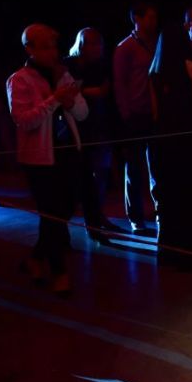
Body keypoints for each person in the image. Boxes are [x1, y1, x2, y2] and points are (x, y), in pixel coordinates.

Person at [7, 24, 87, 295]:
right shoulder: (19, 80)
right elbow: (24, 120)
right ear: (29, 48)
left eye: (54, 46)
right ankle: (59, 273)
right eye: (46, 46)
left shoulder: (61, 75)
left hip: (67, 154)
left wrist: (69, 100)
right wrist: (54, 100)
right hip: (39, 160)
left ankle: (35, 259)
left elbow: (83, 113)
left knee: (62, 212)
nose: (53, 52)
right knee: (52, 215)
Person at [148, 25, 192, 267]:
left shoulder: (153, 71)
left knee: (169, 197)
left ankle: (169, 254)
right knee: (190, 195)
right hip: (188, 139)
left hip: (163, 142)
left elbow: (154, 114)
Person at [66, 28, 124, 243]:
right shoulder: (70, 65)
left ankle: (97, 216)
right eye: (92, 43)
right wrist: (92, 91)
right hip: (79, 129)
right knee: (83, 178)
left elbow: (106, 91)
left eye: (99, 44)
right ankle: (92, 223)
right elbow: (69, 93)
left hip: (100, 124)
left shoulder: (101, 65)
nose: (97, 48)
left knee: (101, 174)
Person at [113, 2, 159, 236]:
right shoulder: (125, 48)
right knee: (134, 168)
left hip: (153, 114)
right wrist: (126, 115)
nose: (154, 21)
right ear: (137, 18)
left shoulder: (154, 44)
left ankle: (158, 211)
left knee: (156, 166)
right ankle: (136, 217)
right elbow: (119, 85)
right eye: (150, 16)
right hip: (135, 115)